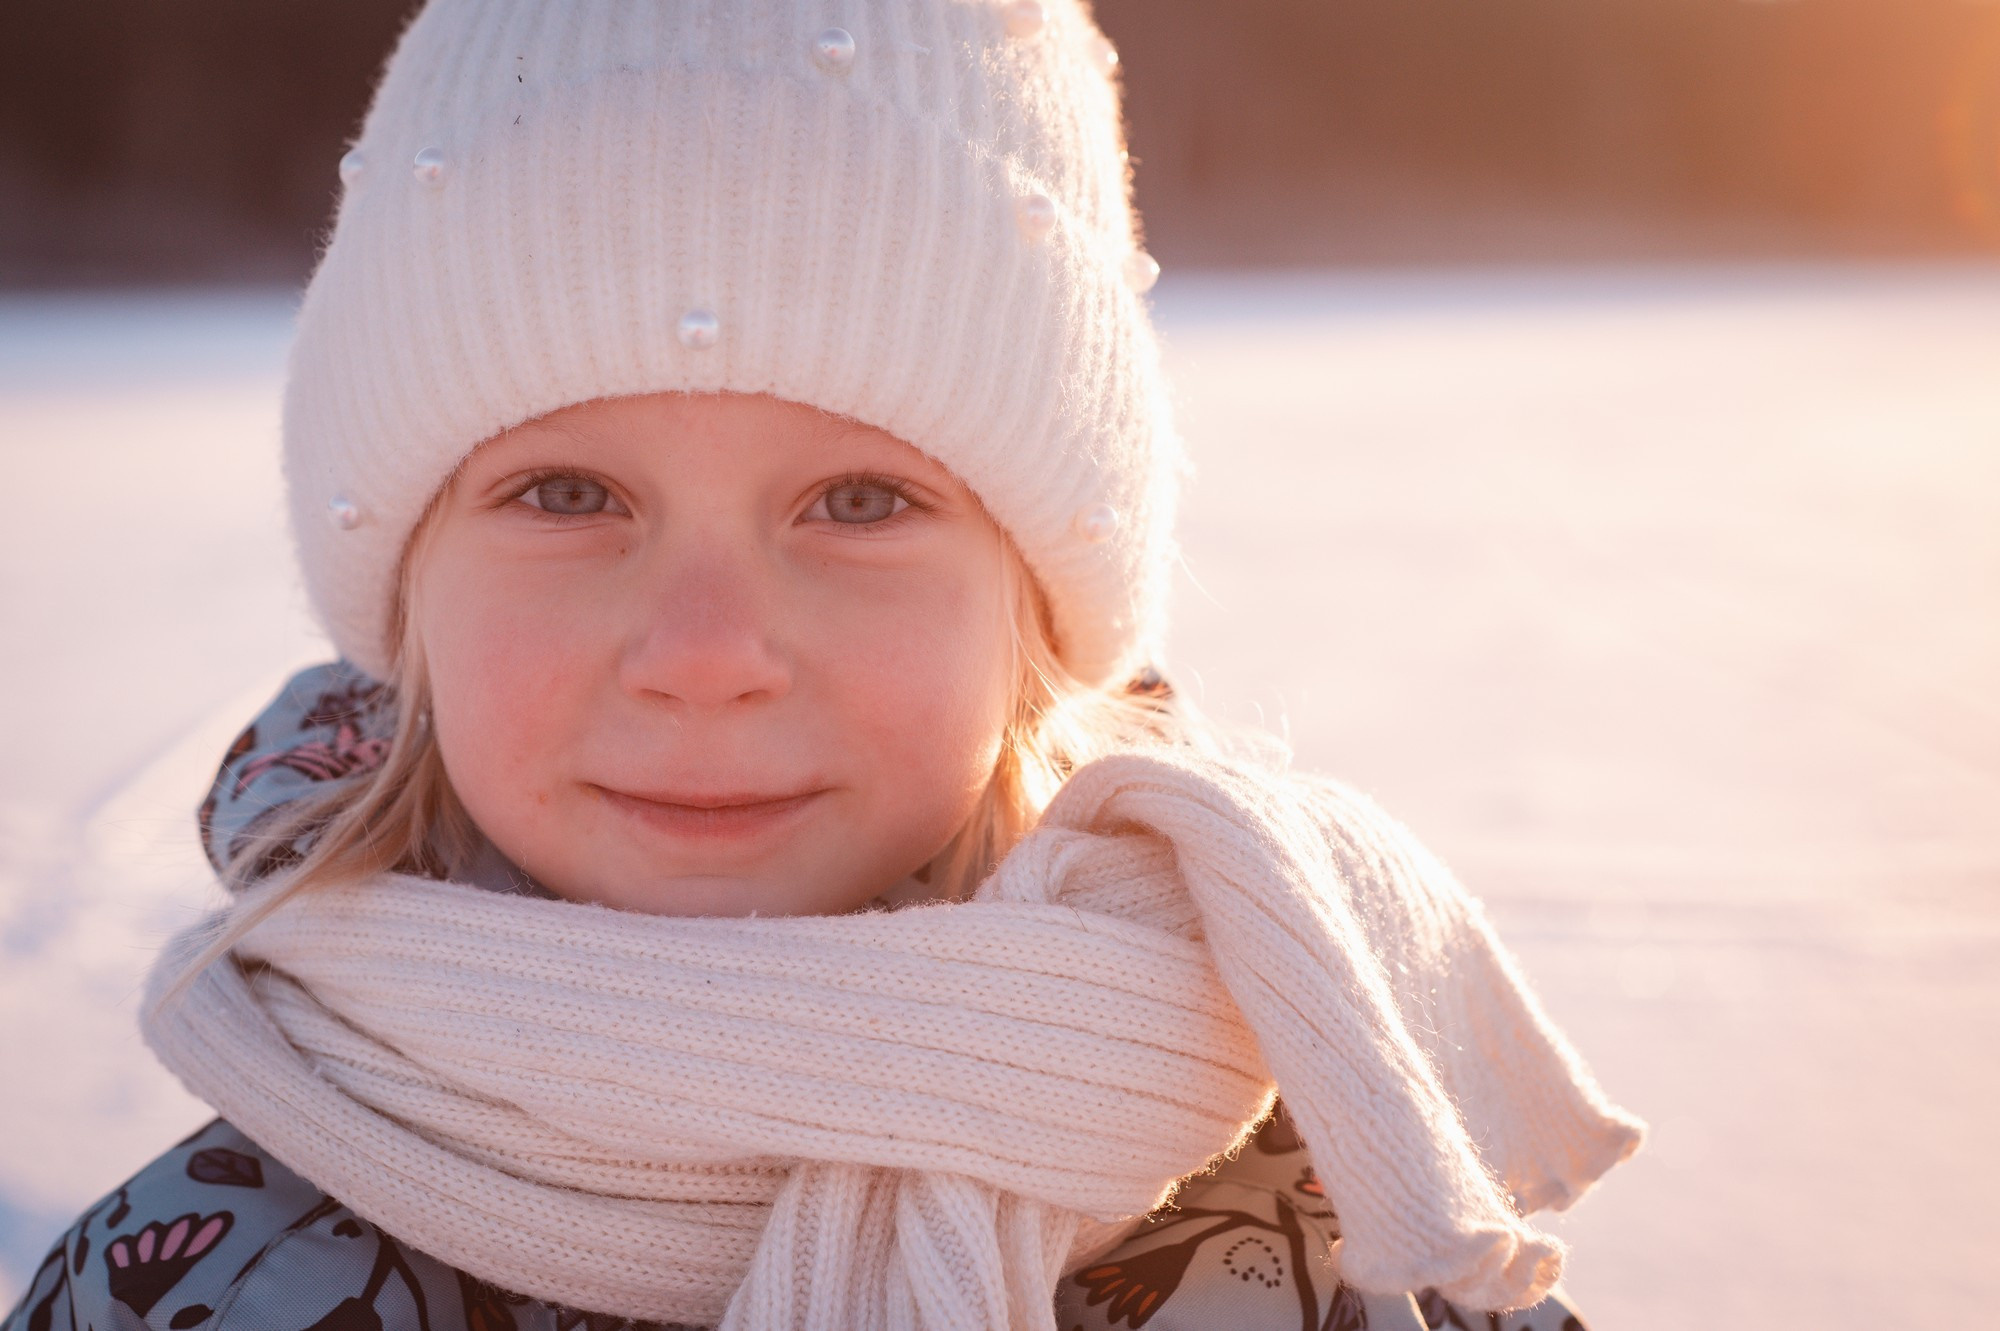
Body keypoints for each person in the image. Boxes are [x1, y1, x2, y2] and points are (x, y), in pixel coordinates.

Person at [3, 2, 1643, 1328]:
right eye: (568, 495)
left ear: (1038, 605)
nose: (707, 656)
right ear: (403, 585)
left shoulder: (1346, 1227)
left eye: (861, 501)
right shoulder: (199, 1286)